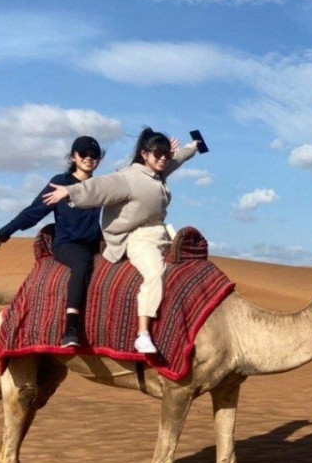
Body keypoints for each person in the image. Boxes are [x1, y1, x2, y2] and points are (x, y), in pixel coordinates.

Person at [43, 127, 202, 355]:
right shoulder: (128, 178)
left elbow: (176, 160)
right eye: (158, 153)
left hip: (162, 234)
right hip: (137, 237)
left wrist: (193, 148)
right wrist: (70, 191)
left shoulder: (158, 173)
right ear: (144, 154)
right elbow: (100, 187)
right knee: (155, 273)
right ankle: (143, 334)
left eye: (166, 153)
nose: (164, 158)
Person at [0, 135, 105, 347]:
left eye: (94, 155)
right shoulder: (60, 183)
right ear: (73, 156)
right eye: (83, 154)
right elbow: (33, 212)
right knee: (82, 263)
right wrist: (3, 233)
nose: (89, 158)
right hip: (69, 245)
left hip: (96, 244)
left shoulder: (100, 185)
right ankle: (71, 327)